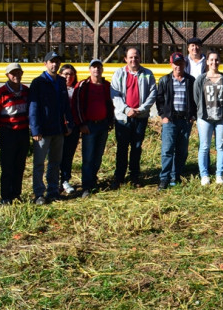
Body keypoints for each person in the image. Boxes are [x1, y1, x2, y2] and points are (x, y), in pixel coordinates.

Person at [29, 51, 74, 204]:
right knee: (39, 163)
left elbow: (65, 106)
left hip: (58, 129)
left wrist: (68, 123)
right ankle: (39, 193)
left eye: (57, 62)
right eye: (51, 62)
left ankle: (53, 190)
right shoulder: (38, 83)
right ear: (45, 64)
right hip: (43, 131)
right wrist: (35, 129)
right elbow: (33, 107)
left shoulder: (61, 82)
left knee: (55, 162)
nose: (54, 64)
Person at [110, 47, 157, 189]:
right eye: (130, 57)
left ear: (140, 58)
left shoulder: (148, 74)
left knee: (137, 147)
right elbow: (114, 94)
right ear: (125, 59)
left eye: (136, 57)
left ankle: (134, 176)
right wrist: (126, 109)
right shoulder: (118, 73)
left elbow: (153, 93)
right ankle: (119, 177)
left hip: (140, 117)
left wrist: (141, 109)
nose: (133, 60)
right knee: (122, 148)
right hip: (123, 118)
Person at [72, 59, 115, 198]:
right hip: (89, 125)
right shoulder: (83, 85)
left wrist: (110, 121)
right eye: (94, 67)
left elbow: (111, 104)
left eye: (99, 67)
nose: (96, 70)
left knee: (98, 155)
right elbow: (76, 105)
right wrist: (81, 124)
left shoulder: (107, 85)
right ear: (90, 70)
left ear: (102, 69)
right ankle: (86, 186)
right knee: (88, 156)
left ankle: (93, 179)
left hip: (102, 125)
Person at [0, 62, 30, 204]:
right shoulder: (0, 93)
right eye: (13, 73)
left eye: (18, 73)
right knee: (7, 166)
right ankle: (5, 196)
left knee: (20, 165)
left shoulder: (26, 91)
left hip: (23, 133)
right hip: (8, 133)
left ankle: (16, 194)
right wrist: (5, 129)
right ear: (7, 75)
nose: (16, 76)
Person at [156, 52, 197, 188]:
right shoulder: (165, 80)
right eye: (176, 63)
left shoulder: (191, 81)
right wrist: (163, 116)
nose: (178, 66)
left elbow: (195, 100)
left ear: (185, 64)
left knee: (182, 150)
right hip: (170, 120)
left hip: (185, 120)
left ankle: (176, 175)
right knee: (167, 150)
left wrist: (193, 116)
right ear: (171, 64)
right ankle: (164, 178)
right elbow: (159, 100)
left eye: (181, 63)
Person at [194, 51, 223, 185]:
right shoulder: (201, 79)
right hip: (205, 118)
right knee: (204, 146)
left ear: (219, 61)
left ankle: (219, 175)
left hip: (222, 117)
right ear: (207, 62)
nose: (214, 62)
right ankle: (204, 175)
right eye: (211, 60)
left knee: (220, 146)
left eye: (216, 60)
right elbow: (197, 98)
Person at [58, 63, 79, 195]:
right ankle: (55, 181)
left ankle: (65, 179)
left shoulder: (76, 90)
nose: (68, 77)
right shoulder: (56, 89)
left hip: (73, 127)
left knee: (68, 155)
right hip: (58, 127)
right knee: (56, 156)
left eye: (71, 74)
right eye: (66, 74)